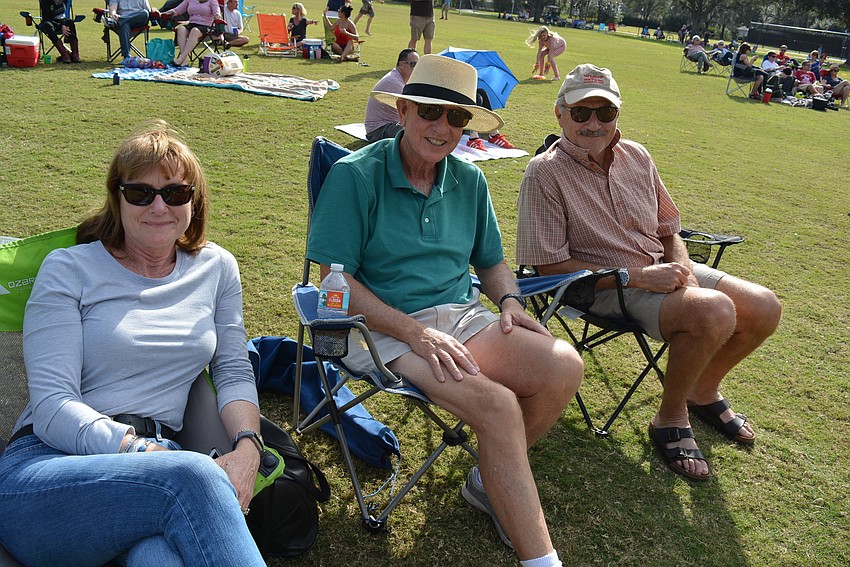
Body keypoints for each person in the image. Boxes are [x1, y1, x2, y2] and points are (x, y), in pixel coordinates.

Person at [308, 54, 583, 567]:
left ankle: (489, 479)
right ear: (405, 110)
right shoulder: (356, 175)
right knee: (497, 405)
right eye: (431, 112)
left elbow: (494, 262)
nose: (442, 127)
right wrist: (414, 333)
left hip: (460, 316)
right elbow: (335, 282)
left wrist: (508, 301)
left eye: (457, 117)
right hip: (377, 328)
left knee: (563, 365)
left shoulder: (469, 180)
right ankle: (541, 559)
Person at [0, 121, 266, 565]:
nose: (159, 206)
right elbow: (51, 406)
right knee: (191, 476)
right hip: (45, 472)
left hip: (154, 472)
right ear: (116, 198)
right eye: (141, 193)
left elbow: (233, 368)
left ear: (194, 200)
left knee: (158, 557)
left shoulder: (217, 268)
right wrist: (140, 452)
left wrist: (247, 447)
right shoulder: (68, 269)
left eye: (175, 193)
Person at [516, 64, 782, 482]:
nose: (593, 123)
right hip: (598, 286)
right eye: (581, 113)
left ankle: (702, 392)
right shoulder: (545, 172)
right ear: (559, 114)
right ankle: (670, 416)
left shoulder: (637, 155)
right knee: (712, 312)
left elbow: (668, 228)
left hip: (662, 270)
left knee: (765, 307)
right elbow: (549, 266)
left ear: (617, 115)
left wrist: (681, 267)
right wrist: (636, 276)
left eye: (605, 113)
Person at [364, 48, 419, 142]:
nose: (416, 69)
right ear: (401, 64)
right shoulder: (394, 82)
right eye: (413, 65)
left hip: (386, 126)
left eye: (418, 66)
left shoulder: (398, 78)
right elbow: (411, 111)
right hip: (378, 131)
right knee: (415, 132)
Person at [164, 0, 222, 67]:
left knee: (194, 31)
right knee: (181, 29)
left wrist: (218, 18)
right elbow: (177, 10)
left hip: (206, 26)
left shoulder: (212, 1)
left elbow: (217, 14)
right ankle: (184, 60)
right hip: (192, 24)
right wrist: (166, 13)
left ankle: (181, 58)